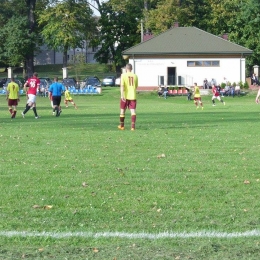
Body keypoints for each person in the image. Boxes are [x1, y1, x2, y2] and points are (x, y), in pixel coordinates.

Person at [118, 63, 138, 131]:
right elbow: (136, 86)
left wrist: (122, 95)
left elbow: (122, 86)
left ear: (126, 69)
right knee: (133, 112)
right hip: (133, 95)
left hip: (125, 96)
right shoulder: (135, 76)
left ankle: (122, 126)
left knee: (122, 111)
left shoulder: (123, 75)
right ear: (131, 69)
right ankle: (132, 127)